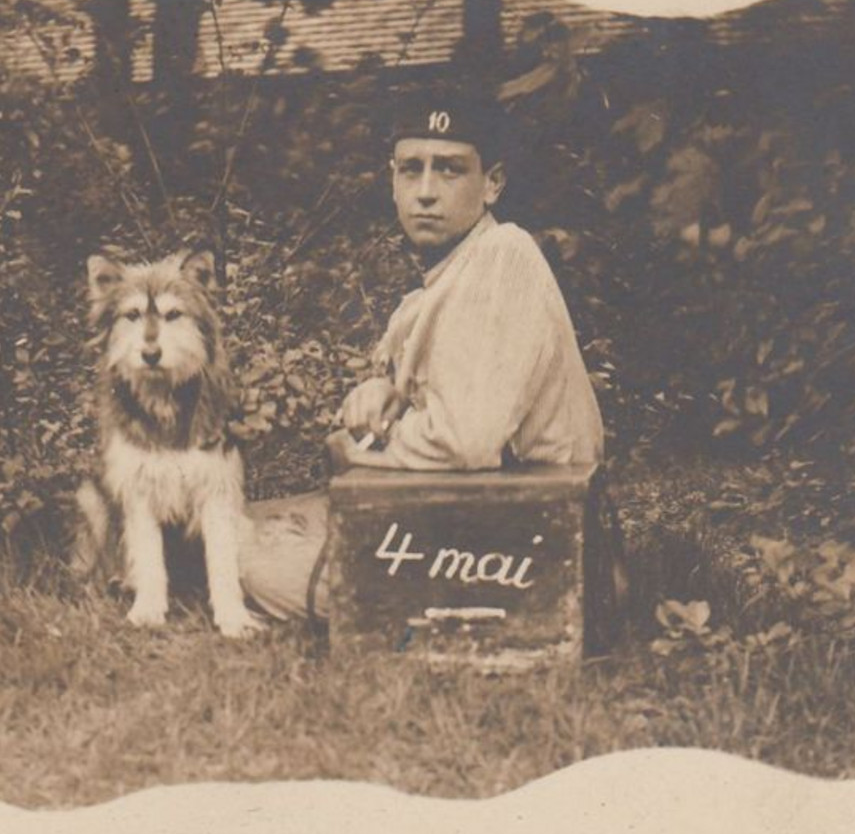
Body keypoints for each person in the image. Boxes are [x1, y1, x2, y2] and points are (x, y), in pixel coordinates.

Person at [239, 88, 611, 623]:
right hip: (467, 521)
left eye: (450, 170)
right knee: (246, 521)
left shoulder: (503, 258)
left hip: (526, 547)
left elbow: (467, 441)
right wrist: (386, 393)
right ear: (392, 181)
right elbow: (456, 396)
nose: (426, 192)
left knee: (243, 552)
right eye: (411, 170)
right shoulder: (449, 278)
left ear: (492, 184)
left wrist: (360, 446)